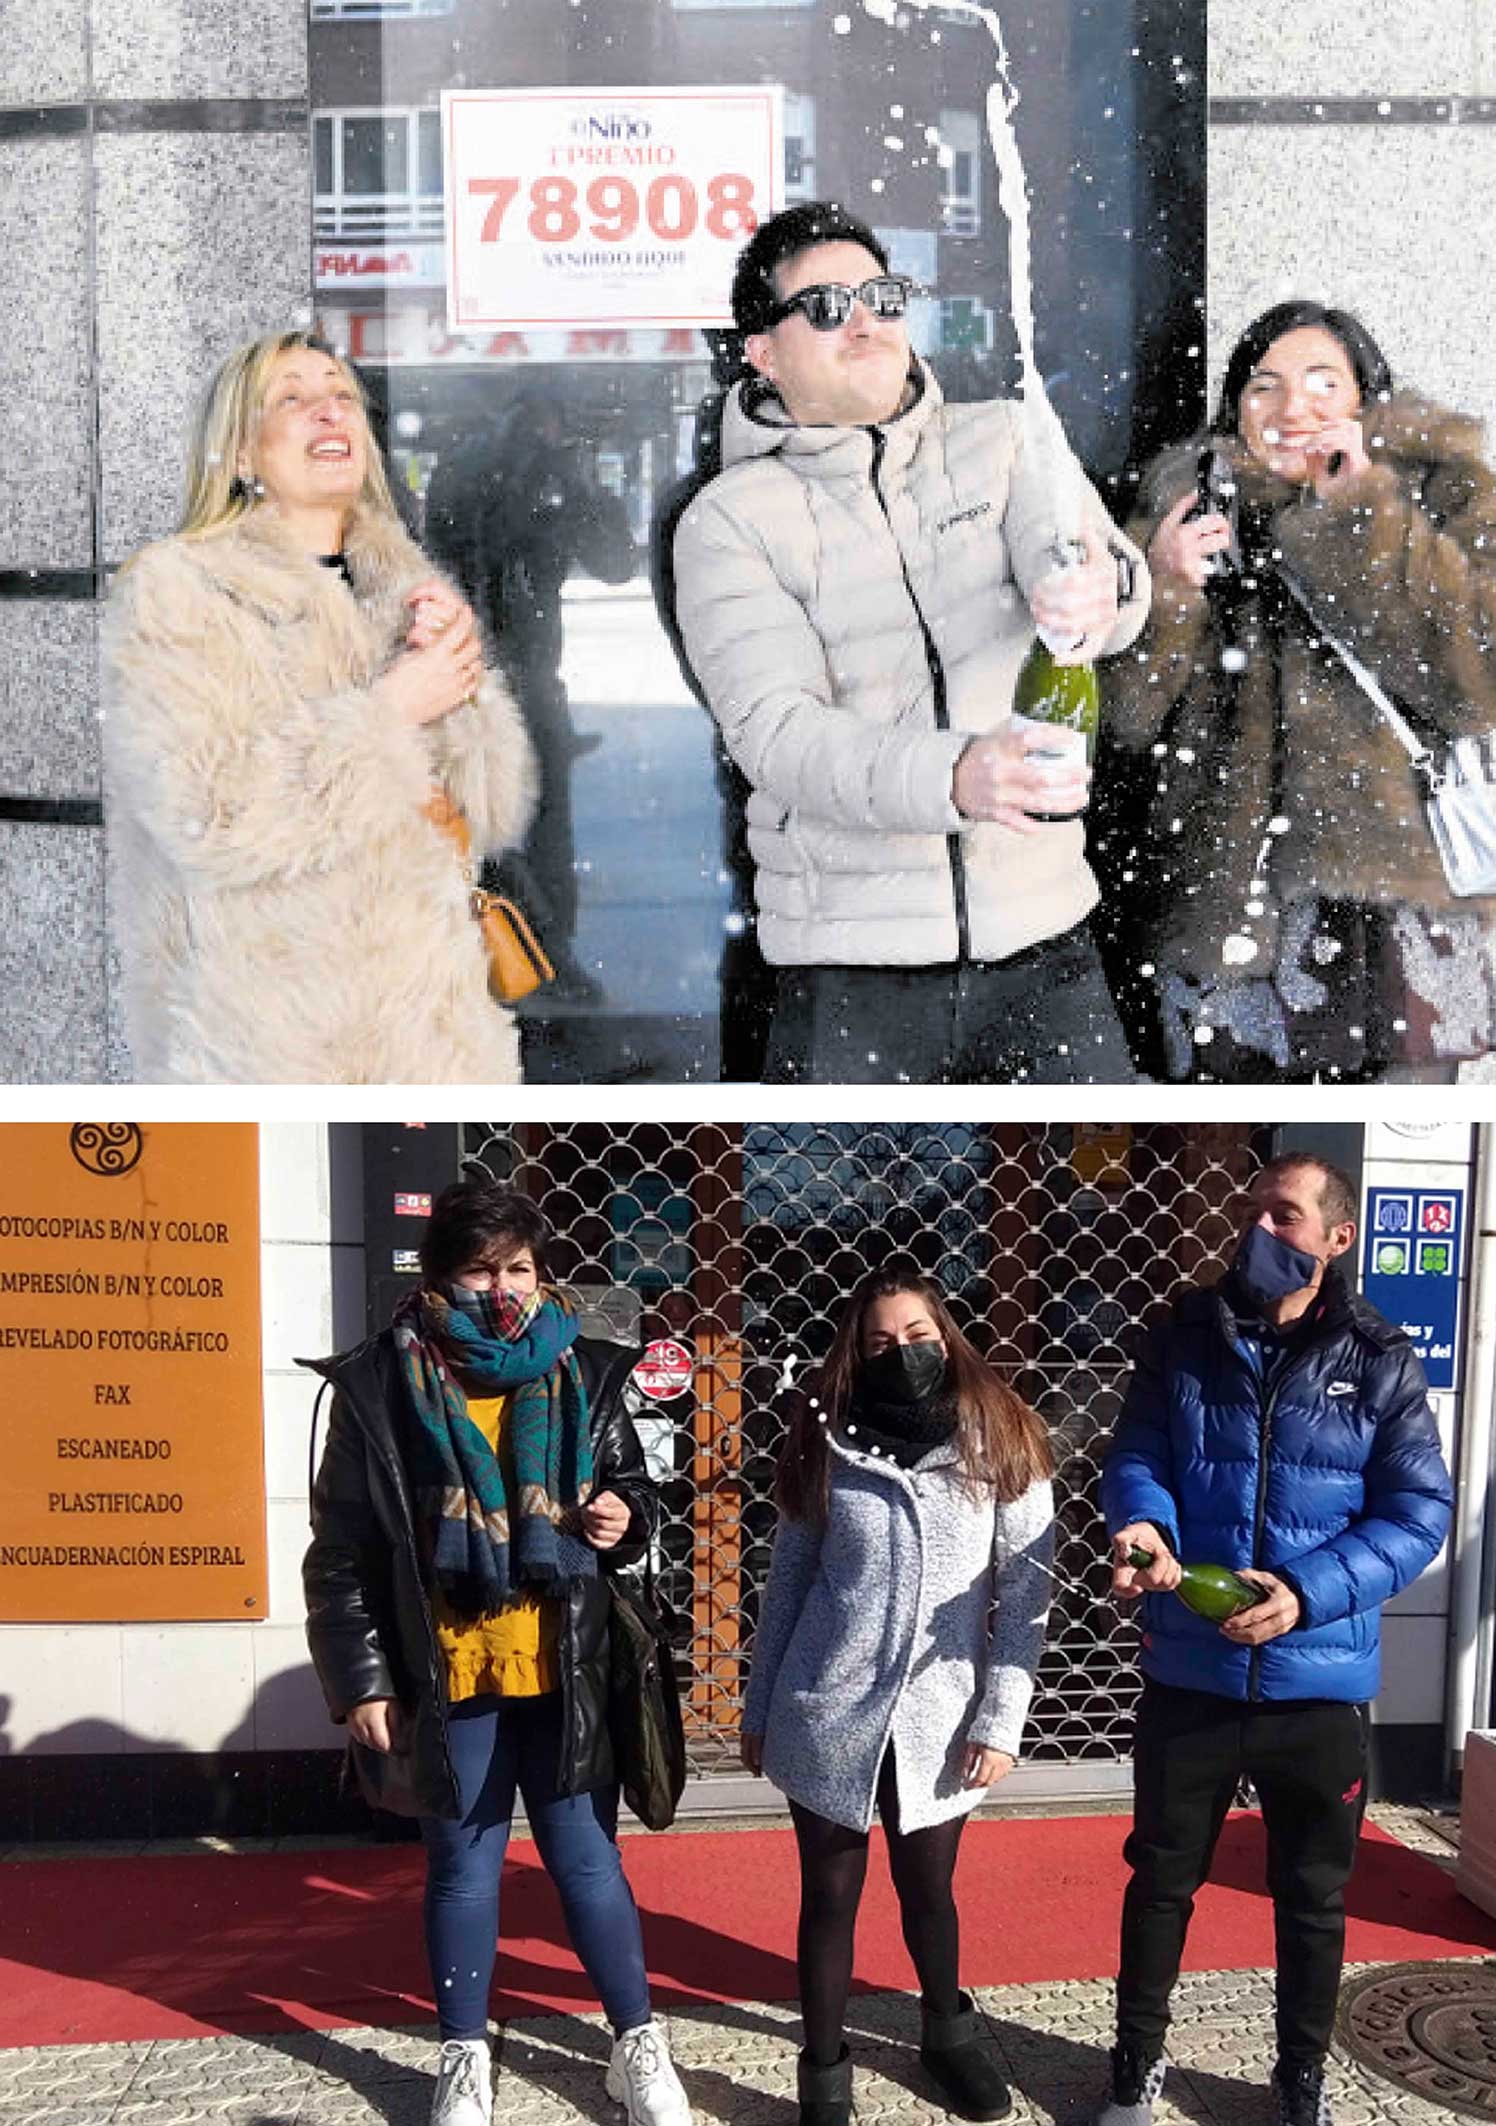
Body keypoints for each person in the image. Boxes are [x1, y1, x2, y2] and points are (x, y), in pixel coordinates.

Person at [671, 200, 1149, 1084]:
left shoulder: (1006, 438)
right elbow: (779, 735)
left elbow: (1099, 570)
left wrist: (1099, 590)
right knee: (833, 1219)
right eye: (824, 307)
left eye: (881, 297)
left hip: (1048, 948)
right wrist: (954, 775)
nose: (863, 321)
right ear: (764, 353)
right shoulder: (730, 522)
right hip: (852, 972)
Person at [298, 1181, 690, 2126]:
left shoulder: (586, 1369)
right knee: (462, 1871)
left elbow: (636, 1497)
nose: (502, 1287)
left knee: (588, 1863)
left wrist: (624, 1517)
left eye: (519, 1267)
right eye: (481, 1268)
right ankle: (464, 2058)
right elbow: (341, 1548)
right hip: (448, 1669)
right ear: (438, 1278)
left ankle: (635, 2045)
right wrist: (359, 1681)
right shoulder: (379, 1384)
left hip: (565, 1660)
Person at [1098, 301, 1496, 1083]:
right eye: (1263, 387)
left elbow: (1494, 678)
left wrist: (1366, 515)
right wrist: (1164, 587)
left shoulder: (1444, 495)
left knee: (1392, 1110)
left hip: (1393, 906)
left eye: (1321, 383)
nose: (1291, 408)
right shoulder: (1185, 511)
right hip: (1229, 904)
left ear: (1365, 401)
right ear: (1235, 410)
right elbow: (1126, 721)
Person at [1096, 1153, 1454, 2126]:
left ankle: (1298, 2077)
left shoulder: (1379, 1357)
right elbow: (1138, 1453)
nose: (1262, 1228)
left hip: (1319, 1687)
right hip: (1191, 1672)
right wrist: (1143, 1524)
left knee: (1312, 1899)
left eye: (1285, 1215)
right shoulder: (1182, 1334)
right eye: (1257, 1210)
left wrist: (1303, 1591)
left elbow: (1419, 1513)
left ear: (1337, 1238)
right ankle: (1134, 2065)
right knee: (1162, 1881)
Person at [103, 329, 536, 1081]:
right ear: (238, 454)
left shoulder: (399, 580)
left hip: (434, 1032)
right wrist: (392, 710)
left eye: (341, 398)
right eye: (293, 400)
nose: (329, 414)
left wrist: (461, 694)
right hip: (271, 1035)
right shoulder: (177, 590)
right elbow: (208, 814)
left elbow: (490, 813)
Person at [742, 1267, 1056, 2126]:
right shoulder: (823, 1441)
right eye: (881, 1341)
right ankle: (825, 2077)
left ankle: (948, 2038)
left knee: (930, 1889)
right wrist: (760, 1709)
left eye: (917, 1335)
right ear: (856, 1349)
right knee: (830, 1896)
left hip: (941, 1716)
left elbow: (1026, 1599)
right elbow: (788, 1585)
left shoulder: (1005, 1436)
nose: (902, 1352)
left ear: (945, 1335)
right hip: (827, 1706)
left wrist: (1002, 1718)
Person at [420, 386, 639, 988]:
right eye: (550, 422)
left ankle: (532, 956)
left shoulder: (507, 475)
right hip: (476, 674)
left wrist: (577, 487)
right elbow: (613, 561)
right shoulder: (503, 477)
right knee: (511, 828)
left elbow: (615, 562)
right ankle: (533, 956)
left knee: (521, 828)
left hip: (504, 675)